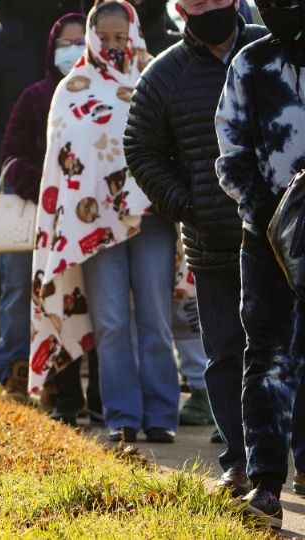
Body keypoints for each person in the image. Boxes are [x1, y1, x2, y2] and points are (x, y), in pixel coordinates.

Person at [125, 0, 271, 493]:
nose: (209, 6)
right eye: (197, 0)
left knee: (287, 350)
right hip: (215, 241)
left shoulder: (272, 50)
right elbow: (140, 148)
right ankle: (238, 462)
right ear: (181, 8)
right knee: (226, 352)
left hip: (282, 237)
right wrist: (190, 205)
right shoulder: (163, 74)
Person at [31, 0, 181, 444]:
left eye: (121, 37)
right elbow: (61, 159)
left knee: (154, 317)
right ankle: (121, 416)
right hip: (90, 225)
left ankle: (160, 416)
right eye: (105, 38)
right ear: (93, 38)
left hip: (151, 216)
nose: (113, 46)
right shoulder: (72, 88)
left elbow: (176, 138)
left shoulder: (156, 75)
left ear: (133, 34)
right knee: (111, 320)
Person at [0, 0, 83, 395]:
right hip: (21, 181)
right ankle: (14, 370)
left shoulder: (81, 35)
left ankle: (72, 377)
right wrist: (14, 160)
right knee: (18, 283)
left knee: (76, 279)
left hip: (82, 182)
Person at [216, 0, 305, 526]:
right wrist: (272, 215)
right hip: (268, 237)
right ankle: (266, 481)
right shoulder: (250, 63)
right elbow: (230, 153)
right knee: (268, 355)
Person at [0, 13, 102, 423]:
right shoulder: (37, 95)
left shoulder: (109, 91)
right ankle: (64, 399)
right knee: (59, 303)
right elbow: (12, 151)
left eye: (82, 41)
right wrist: (43, 187)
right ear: (51, 46)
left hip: (97, 220)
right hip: (51, 222)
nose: (74, 49)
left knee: (102, 310)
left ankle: (100, 398)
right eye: (66, 41)